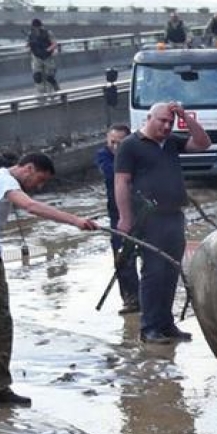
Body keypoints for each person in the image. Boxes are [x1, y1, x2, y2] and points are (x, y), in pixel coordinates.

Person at [0, 153, 99, 410]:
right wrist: (74, 220)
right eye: (39, 180)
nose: (38, 187)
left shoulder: (1, 181)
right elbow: (30, 206)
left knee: (2, 324)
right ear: (28, 169)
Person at [115, 102, 211, 344]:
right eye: (162, 121)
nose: (166, 126)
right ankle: (149, 328)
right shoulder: (130, 146)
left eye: (170, 122)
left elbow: (202, 143)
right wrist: (125, 217)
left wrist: (184, 117)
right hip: (148, 218)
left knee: (171, 270)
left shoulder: (171, 143)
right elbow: (122, 182)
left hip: (174, 215)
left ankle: (166, 324)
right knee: (153, 272)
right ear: (149, 118)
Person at [96, 124, 141, 315]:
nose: (115, 147)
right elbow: (112, 174)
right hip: (117, 213)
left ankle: (150, 296)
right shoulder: (103, 156)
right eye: (112, 142)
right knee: (122, 256)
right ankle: (130, 298)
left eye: (120, 143)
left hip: (143, 209)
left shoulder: (139, 153)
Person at [27, 18, 59, 96]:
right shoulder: (31, 34)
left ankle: (53, 92)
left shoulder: (47, 33)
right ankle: (41, 94)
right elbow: (28, 45)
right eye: (35, 27)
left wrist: (47, 50)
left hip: (47, 57)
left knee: (49, 77)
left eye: (38, 27)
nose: (36, 29)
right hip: (37, 58)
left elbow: (54, 44)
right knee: (37, 77)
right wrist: (30, 46)